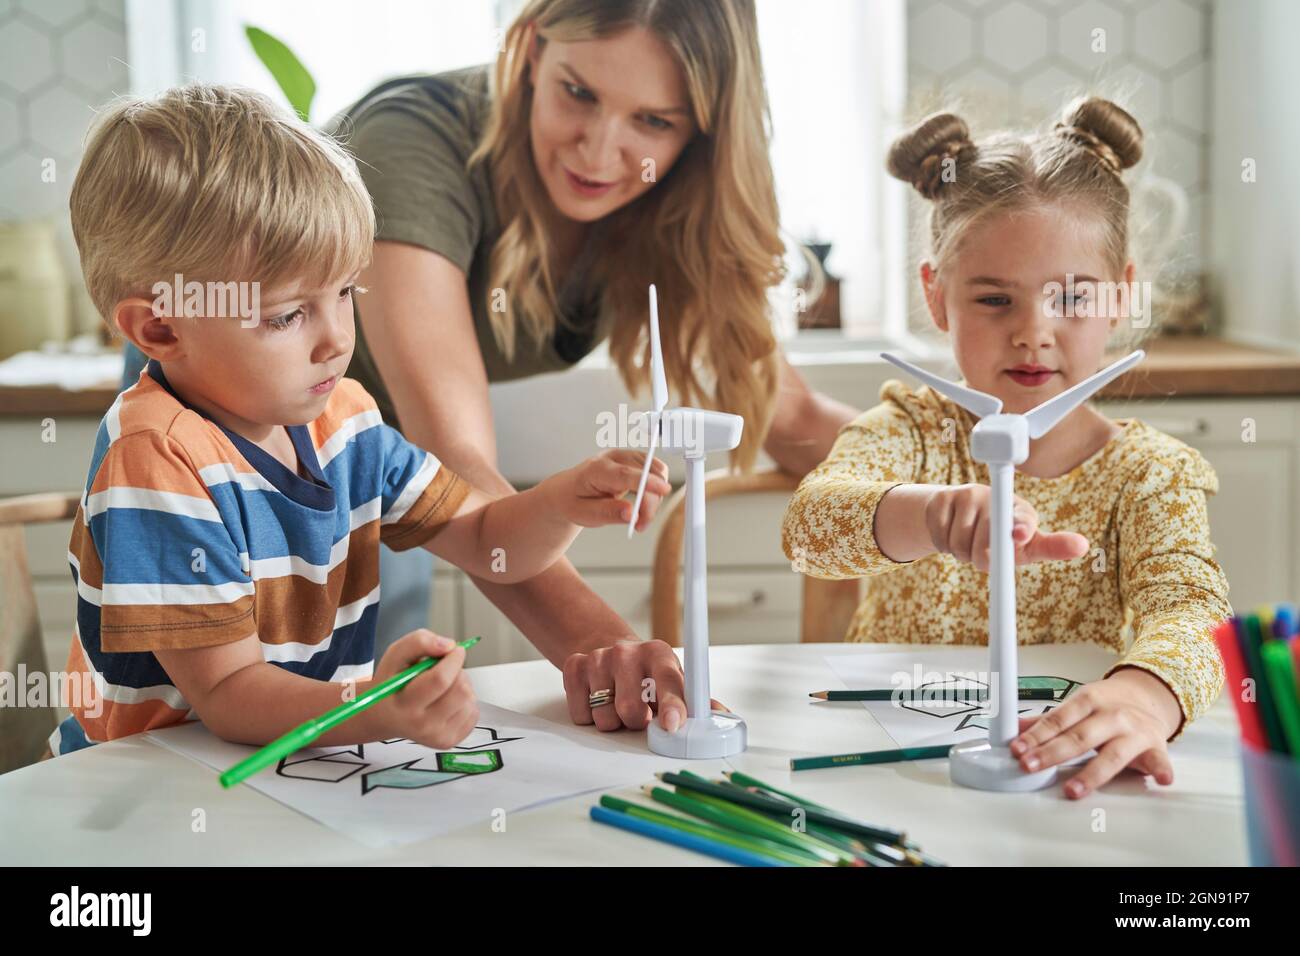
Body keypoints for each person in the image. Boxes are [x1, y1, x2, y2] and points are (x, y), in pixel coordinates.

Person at [782, 97, 1231, 799]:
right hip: (901, 776)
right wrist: (931, 516)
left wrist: (1146, 697)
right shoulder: (911, 430)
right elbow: (811, 530)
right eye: (995, 300)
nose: (1033, 332)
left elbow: (1192, 612)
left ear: (1122, 296)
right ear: (937, 297)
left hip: (1062, 775)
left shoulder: (1152, 474)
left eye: (1073, 299)